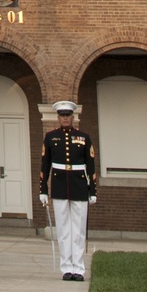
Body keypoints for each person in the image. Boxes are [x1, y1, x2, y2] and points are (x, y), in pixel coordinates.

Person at [40, 101, 97, 282]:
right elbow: (44, 165)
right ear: (58, 117)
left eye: (68, 115)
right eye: (62, 115)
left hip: (79, 185)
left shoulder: (84, 138)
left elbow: (91, 165)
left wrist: (93, 190)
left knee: (78, 230)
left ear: (73, 117)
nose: (65, 118)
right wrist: (43, 189)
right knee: (64, 229)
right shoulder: (50, 137)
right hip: (58, 185)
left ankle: (78, 268)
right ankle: (66, 267)